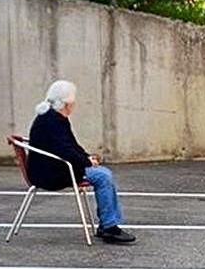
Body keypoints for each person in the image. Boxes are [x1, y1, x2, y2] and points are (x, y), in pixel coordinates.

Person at [27, 80, 135, 245]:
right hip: (53, 173)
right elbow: (65, 150)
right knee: (103, 176)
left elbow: (71, 146)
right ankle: (109, 227)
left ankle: (108, 224)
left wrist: (86, 158)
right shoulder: (53, 122)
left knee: (103, 174)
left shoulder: (51, 117)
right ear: (66, 104)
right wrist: (86, 162)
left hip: (52, 168)